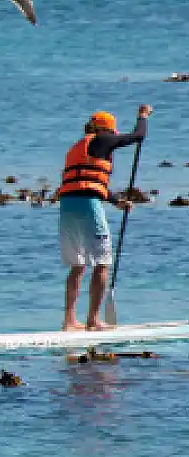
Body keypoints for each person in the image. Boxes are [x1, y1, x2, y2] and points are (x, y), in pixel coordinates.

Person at [58, 105, 152, 331]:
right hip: (88, 206)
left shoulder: (78, 147)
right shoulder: (102, 139)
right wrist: (142, 117)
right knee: (102, 263)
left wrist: (116, 200)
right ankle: (93, 320)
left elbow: (89, 182)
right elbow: (139, 136)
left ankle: (69, 321)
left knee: (78, 264)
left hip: (68, 205)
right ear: (106, 130)